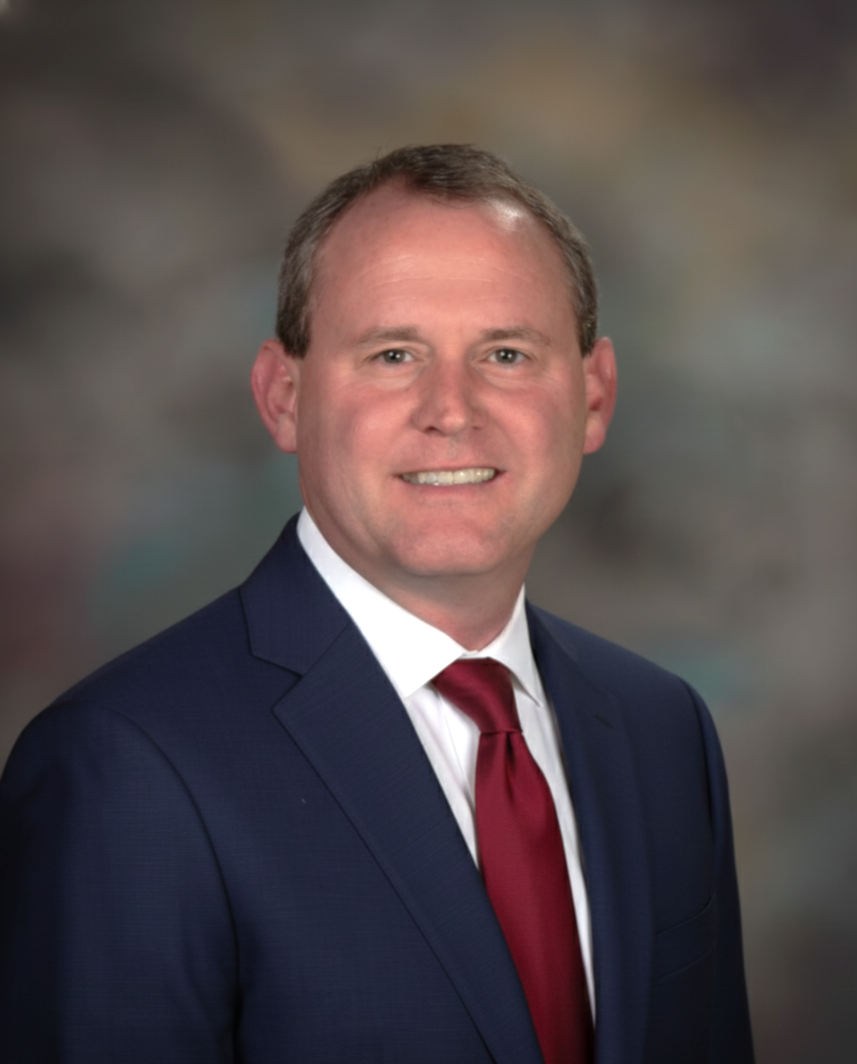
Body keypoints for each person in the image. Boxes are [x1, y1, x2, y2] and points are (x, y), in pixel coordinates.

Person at [0, 144, 753, 1063]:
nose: (452, 410)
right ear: (284, 397)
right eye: (393, 354)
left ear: (593, 398)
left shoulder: (663, 730)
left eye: (507, 354)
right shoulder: (123, 767)